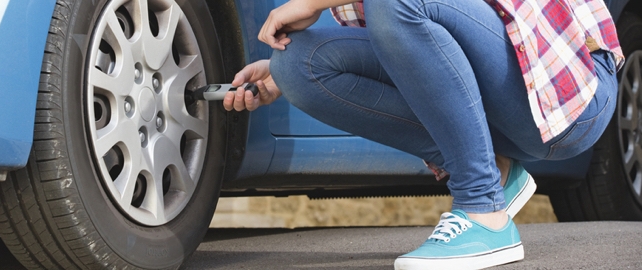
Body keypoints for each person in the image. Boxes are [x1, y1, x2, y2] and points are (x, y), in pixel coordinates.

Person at [223, 0, 624, 269]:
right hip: (507, 95)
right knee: (297, 64)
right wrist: (279, 77)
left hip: (570, 91)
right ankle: (492, 169)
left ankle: (485, 212)